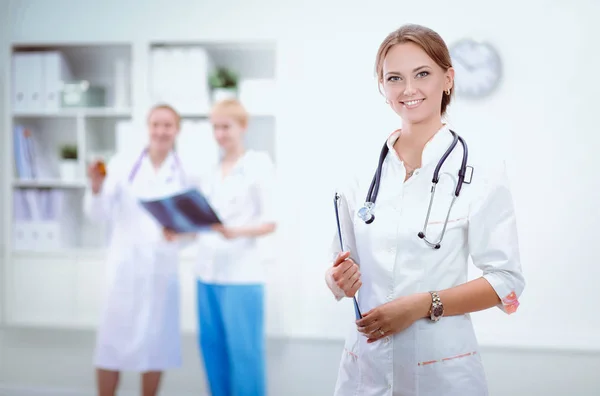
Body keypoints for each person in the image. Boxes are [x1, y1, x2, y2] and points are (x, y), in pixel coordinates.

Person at [324, 24, 525, 396]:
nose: (409, 89)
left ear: (448, 79)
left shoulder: (481, 171)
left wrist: (421, 305)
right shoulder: (359, 172)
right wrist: (338, 280)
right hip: (364, 367)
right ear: (382, 88)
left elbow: (507, 283)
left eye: (422, 74)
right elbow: (338, 272)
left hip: (442, 370)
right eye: (394, 78)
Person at [164, 98, 277, 396]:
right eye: (215, 128)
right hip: (207, 274)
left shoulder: (258, 164)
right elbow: (203, 224)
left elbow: (271, 221)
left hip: (242, 276)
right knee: (212, 351)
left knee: (244, 354)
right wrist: (178, 234)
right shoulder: (211, 171)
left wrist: (235, 231)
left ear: (243, 126)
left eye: (226, 127)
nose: (220, 135)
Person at [85, 104, 193, 396]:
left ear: (177, 130)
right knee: (110, 345)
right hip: (124, 271)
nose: (161, 131)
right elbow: (98, 215)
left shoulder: (184, 173)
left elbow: (193, 228)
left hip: (161, 271)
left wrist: (180, 235)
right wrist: (96, 187)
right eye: (156, 124)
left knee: (155, 347)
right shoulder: (122, 165)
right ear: (148, 128)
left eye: (168, 125)